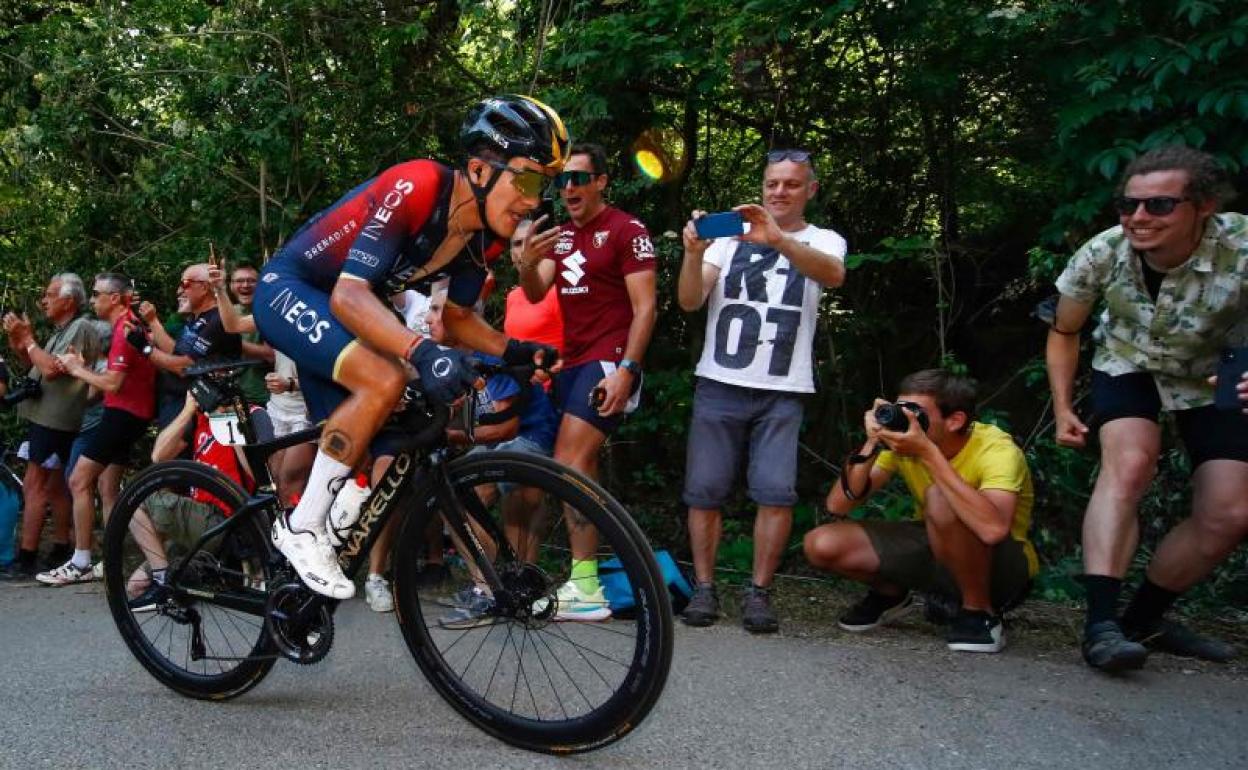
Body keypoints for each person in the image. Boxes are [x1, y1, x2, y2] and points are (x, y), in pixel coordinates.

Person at [252, 95, 568, 600]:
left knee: (400, 424)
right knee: (388, 378)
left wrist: (513, 353)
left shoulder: (479, 240)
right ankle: (302, 529)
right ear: (479, 170)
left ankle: (305, 576)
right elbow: (350, 292)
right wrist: (422, 351)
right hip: (292, 288)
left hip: (344, 310)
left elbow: (460, 320)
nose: (534, 200)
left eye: (543, 187)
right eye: (528, 179)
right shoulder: (419, 184)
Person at [1045, 145, 1247, 671]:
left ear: (1202, 206)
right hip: (1128, 359)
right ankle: (1101, 627)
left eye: (1159, 205)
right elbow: (1064, 330)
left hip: (1219, 367)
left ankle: (1144, 619)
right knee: (1130, 464)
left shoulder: (1242, 244)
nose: (1137, 217)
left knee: (1230, 513)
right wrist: (1064, 406)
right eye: (1127, 205)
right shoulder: (1102, 252)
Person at [676, 148, 846, 633]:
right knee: (704, 492)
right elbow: (690, 301)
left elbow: (833, 275)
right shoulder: (727, 242)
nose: (779, 192)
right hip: (720, 381)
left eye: (792, 184)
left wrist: (777, 239)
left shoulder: (824, 240)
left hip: (782, 386)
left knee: (775, 493)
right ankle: (705, 589)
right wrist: (692, 254)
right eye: (773, 183)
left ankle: (759, 594)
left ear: (810, 190)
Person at [516, 142, 657, 620]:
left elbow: (646, 309)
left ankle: (586, 585)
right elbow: (536, 292)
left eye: (579, 178)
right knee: (580, 466)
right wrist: (526, 261)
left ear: (601, 181)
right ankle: (587, 582)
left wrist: (628, 372)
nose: (569, 188)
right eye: (563, 181)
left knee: (569, 460)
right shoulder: (562, 237)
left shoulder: (626, 229)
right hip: (572, 362)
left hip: (609, 360)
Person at [805, 370, 1036, 653]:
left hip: (1002, 566)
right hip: (937, 546)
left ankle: (979, 612)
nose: (908, 420)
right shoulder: (905, 444)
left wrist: (928, 453)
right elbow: (838, 505)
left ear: (955, 420)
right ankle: (890, 595)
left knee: (940, 497)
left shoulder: (996, 450)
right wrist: (873, 441)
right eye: (902, 410)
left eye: (917, 413)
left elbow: (993, 529)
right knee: (821, 544)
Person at [37, 273, 156, 585]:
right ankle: (132, 561)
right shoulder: (126, 324)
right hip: (130, 413)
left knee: (78, 480)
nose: (91, 300)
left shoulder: (124, 328)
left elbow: (112, 383)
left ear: (114, 298)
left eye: (96, 294)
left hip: (123, 414)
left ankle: (81, 561)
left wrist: (77, 369)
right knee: (109, 490)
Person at [3, 274, 102, 579]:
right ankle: (61, 546)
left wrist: (30, 340)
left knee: (34, 485)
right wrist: (20, 340)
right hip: (49, 419)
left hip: (54, 422)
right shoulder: (61, 330)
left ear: (68, 300)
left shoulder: (80, 328)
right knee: (56, 486)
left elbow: (52, 371)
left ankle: (27, 556)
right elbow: (35, 367)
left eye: (50, 294)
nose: (44, 300)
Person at [124, 391, 257, 610]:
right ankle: (169, 580)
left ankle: (163, 583)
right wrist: (188, 410)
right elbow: (158, 456)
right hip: (197, 523)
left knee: (134, 498)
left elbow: (258, 478)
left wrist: (227, 422)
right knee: (136, 586)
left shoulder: (247, 414)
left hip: (223, 519)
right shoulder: (197, 420)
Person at [138, 262, 242, 428]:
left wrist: (145, 348)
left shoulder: (216, 320)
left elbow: (184, 367)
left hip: (200, 405)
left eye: (185, 284)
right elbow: (176, 351)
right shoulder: (196, 317)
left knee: (169, 453)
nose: (179, 290)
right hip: (181, 400)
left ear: (204, 287)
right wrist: (152, 321)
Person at [221, 262, 274, 408]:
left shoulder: (270, 311)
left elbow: (271, 356)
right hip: (231, 398)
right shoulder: (228, 312)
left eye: (251, 280)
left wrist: (233, 341)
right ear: (231, 286)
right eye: (239, 281)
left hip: (264, 397)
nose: (245, 285)